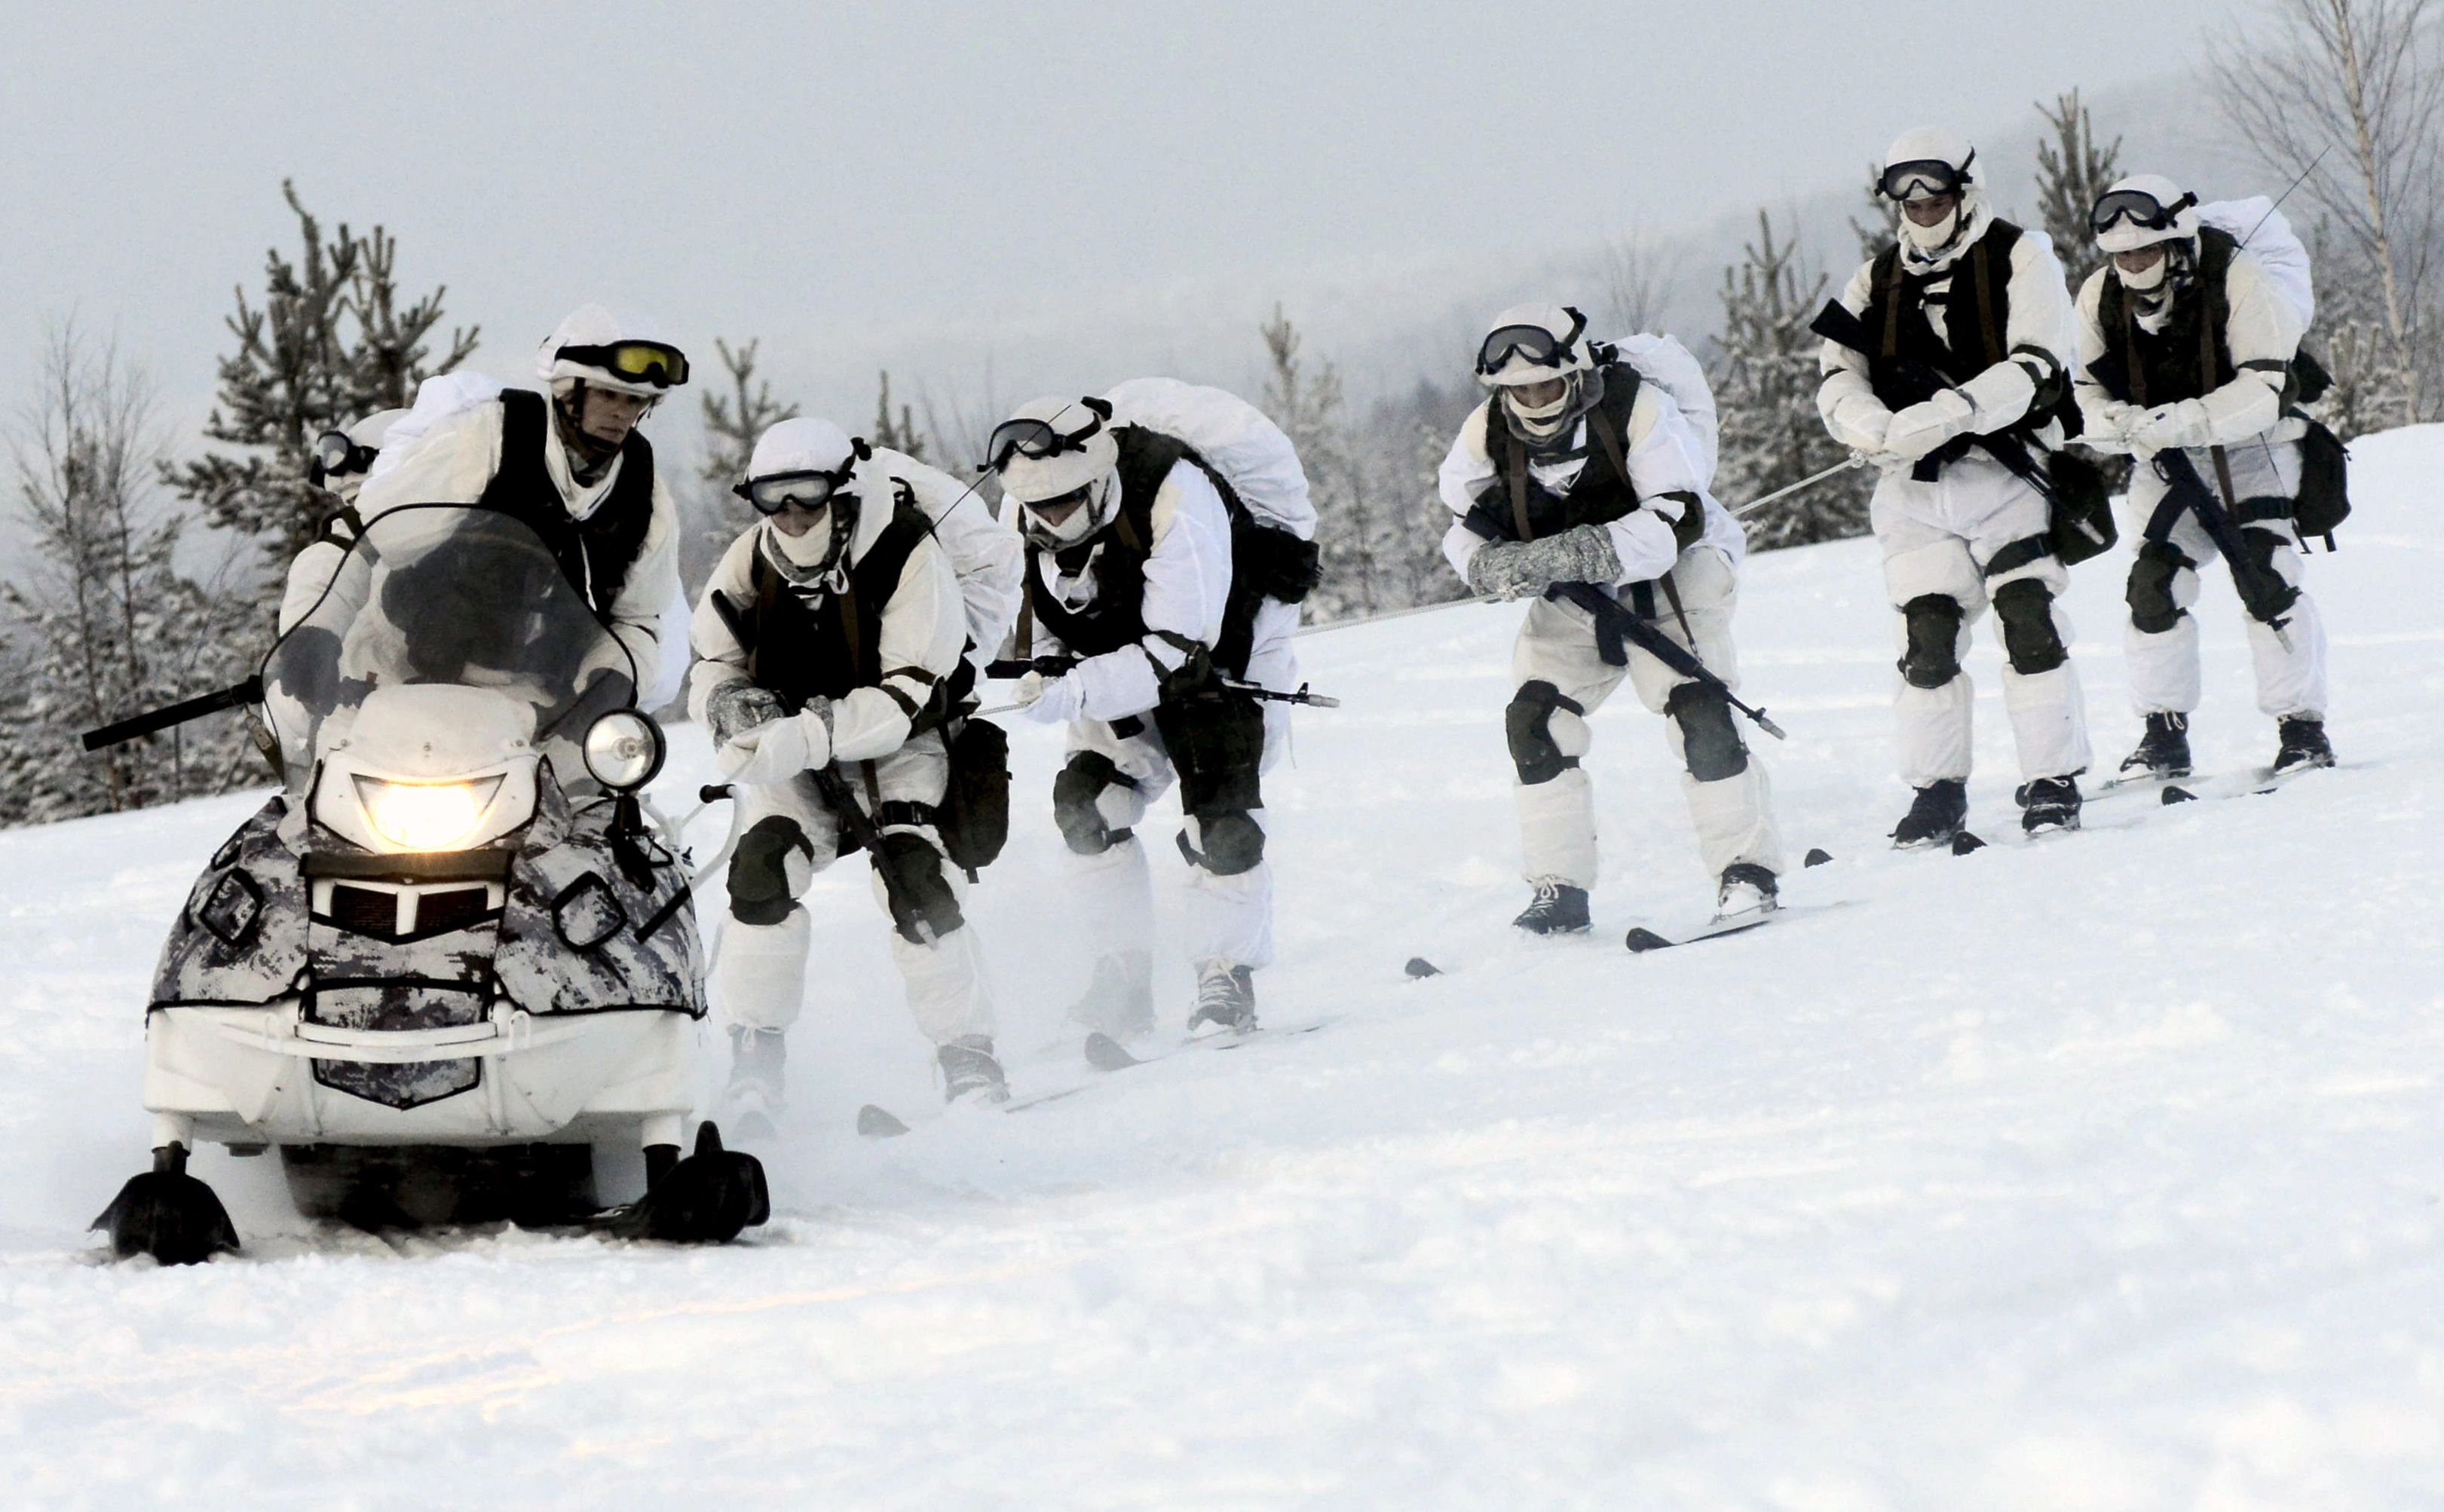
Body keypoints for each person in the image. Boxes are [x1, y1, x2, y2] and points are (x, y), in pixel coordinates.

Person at [692, 418, 1012, 1126]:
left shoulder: (904, 552)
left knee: (913, 875)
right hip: (792, 747)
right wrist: (728, 704)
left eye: (807, 494)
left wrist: (805, 735)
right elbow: (711, 655)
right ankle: (755, 1056)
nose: (790, 513)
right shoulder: (752, 561)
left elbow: (906, 692)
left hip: (900, 742)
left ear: (841, 491)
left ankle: (970, 1054)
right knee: (762, 868)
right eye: (772, 497)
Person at [1439, 304, 1784, 932]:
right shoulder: (1486, 430)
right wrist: (1484, 566)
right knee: (1535, 719)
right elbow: (1462, 525)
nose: (1531, 398)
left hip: (1673, 576)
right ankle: (1560, 890)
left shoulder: (1638, 408)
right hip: (1572, 595)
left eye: (1543, 383)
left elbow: (1680, 514)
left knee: (1698, 709)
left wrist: (1584, 549)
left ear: (1572, 372)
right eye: (1515, 389)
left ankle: (1747, 873)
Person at [988, 385, 1318, 1038]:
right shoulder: (1020, 514)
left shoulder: (1177, 497)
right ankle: (1122, 971)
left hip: (1217, 666)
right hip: (1112, 668)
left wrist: (1075, 691)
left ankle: (1225, 972)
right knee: (1088, 806)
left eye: (1062, 502)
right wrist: (1037, 671)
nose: (1049, 519)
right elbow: (1030, 623)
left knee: (1222, 822)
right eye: (1036, 507)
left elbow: (1176, 651)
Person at [1816, 127, 2094, 845]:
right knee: (1928, 636)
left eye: (1932, 184)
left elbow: (2038, 362)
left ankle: (2051, 778)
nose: (1920, 201)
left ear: (1963, 186)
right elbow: (1835, 376)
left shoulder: (2019, 254)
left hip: (2007, 468)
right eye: (1903, 188)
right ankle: (1937, 791)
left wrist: (1951, 412)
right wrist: (1871, 426)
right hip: (1915, 488)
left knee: (2028, 618)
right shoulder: (1873, 279)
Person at [2072, 174, 2335, 779]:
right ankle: (2162, 734)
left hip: (2254, 446)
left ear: (2176, 239)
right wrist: (2117, 421)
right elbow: (2083, 387)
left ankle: (2302, 728)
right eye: (2121, 255)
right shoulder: (2099, 297)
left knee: (2266, 574)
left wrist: (2186, 420)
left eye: (2145, 250)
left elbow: (2266, 385)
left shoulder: (2236, 278)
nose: (2133, 264)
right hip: (2163, 459)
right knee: (2152, 584)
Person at [352, 305, 687, 690]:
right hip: (405, 673)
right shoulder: (490, 438)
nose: (620, 413)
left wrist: (610, 681)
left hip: (539, 698)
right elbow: (380, 538)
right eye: (608, 394)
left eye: (635, 401)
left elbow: (639, 618)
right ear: (569, 391)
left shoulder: (642, 488)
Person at [275, 407, 409, 634]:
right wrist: (309, 634)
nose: (361, 510)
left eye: (365, 496)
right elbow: (326, 571)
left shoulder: (474, 524)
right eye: (352, 502)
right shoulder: (360, 532)